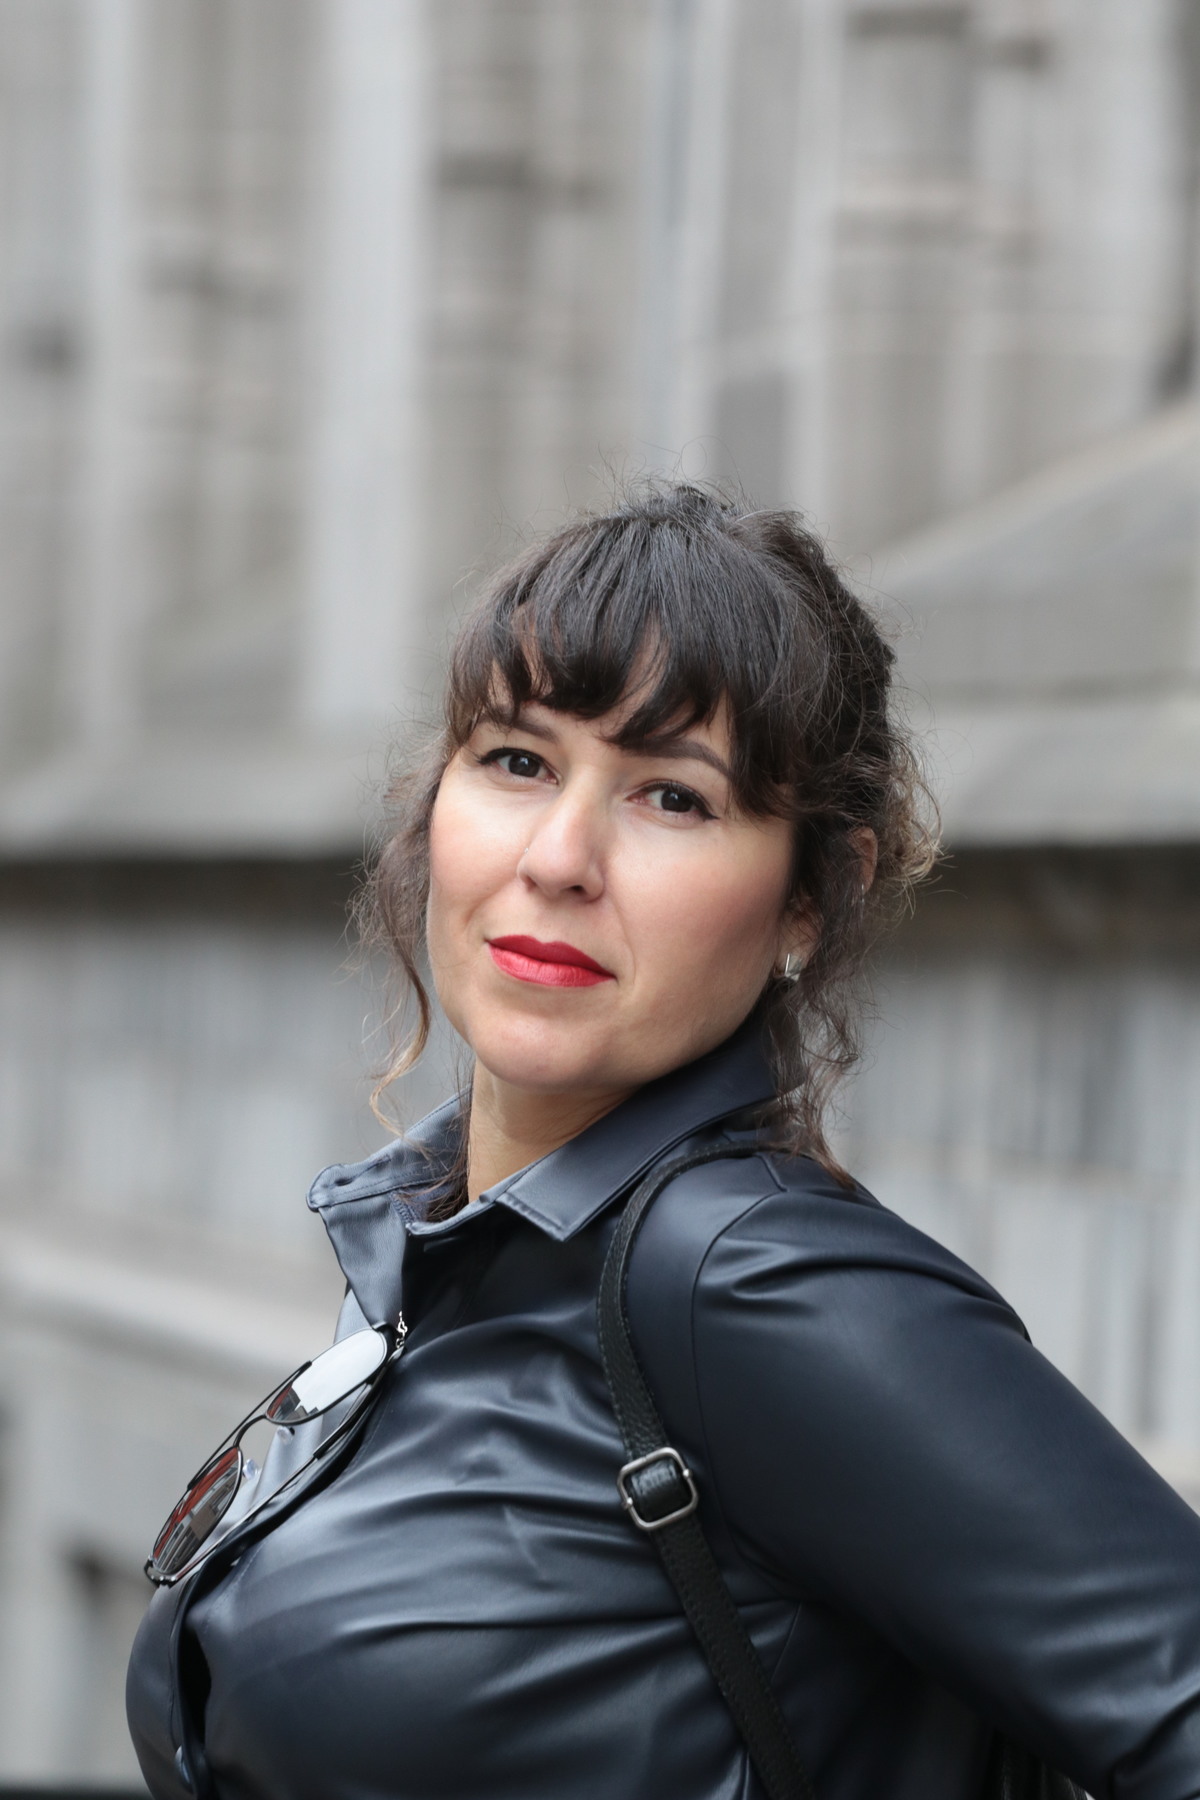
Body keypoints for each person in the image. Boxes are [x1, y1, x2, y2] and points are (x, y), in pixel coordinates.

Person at [127, 485, 1200, 1800]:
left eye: (674, 798)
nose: (560, 857)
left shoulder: (757, 1286)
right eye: (518, 762)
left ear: (812, 900)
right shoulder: (461, 1248)